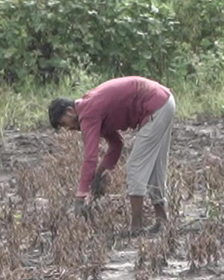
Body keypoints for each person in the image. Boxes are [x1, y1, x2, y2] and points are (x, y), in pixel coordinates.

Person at [48, 76, 177, 236]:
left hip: (155, 106)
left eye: (64, 123)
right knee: (155, 167)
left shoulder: (87, 113)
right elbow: (116, 145)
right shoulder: (92, 108)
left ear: (69, 111)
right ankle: (162, 221)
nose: (68, 129)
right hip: (164, 102)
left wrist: (81, 195)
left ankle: (136, 227)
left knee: (135, 167)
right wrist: (100, 174)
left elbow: (90, 156)